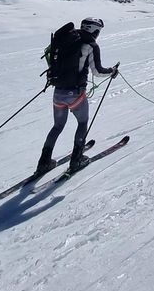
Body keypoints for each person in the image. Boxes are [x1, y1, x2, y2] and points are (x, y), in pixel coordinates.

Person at [36, 16, 117, 176]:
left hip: (58, 92)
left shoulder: (68, 39)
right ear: (95, 30)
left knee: (57, 126)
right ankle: (76, 159)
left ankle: (43, 162)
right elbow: (97, 71)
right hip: (76, 94)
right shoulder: (91, 45)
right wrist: (112, 71)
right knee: (82, 122)